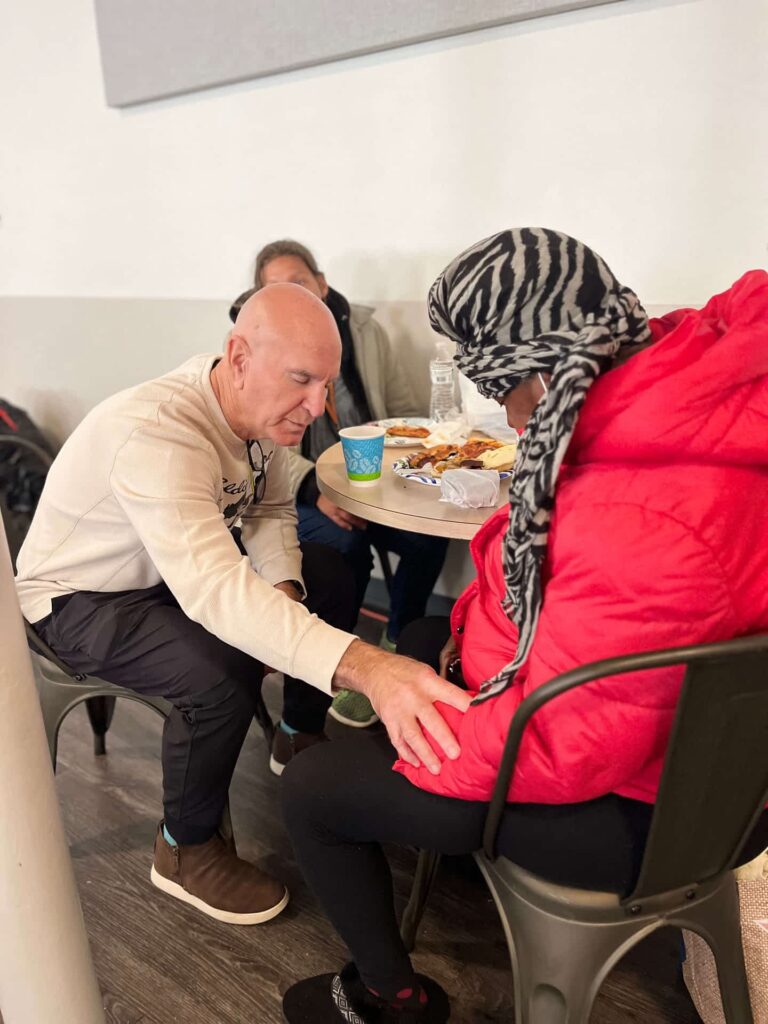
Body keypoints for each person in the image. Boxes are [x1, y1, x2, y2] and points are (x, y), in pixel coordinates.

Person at [279, 229, 768, 1023]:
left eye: (498, 390)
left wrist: (427, 742)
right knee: (420, 637)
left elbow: (565, 746)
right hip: (681, 757)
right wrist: (445, 666)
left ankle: (388, 998)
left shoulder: (642, 517)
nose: (503, 413)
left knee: (312, 786)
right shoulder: (686, 417)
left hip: (655, 812)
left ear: (539, 377)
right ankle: (464, 861)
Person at [15, 283, 470, 929]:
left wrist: (285, 589)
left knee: (329, 574)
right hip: (77, 598)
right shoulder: (158, 435)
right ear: (239, 356)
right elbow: (218, 593)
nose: (317, 407)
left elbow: (270, 499)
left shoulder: (249, 408)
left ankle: (296, 733)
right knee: (217, 671)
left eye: (326, 384)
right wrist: (369, 666)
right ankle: (185, 848)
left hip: (159, 575)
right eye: (302, 380)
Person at [230, 240, 450, 728]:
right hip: (299, 494)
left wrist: (402, 472)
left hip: (368, 484)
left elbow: (401, 412)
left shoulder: (366, 334)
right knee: (343, 550)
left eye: (301, 282)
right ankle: (341, 672)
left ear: (322, 284)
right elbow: (265, 453)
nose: (293, 294)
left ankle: (399, 642)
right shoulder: (259, 353)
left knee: (427, 533)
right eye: (276, 289)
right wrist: (317, 491)